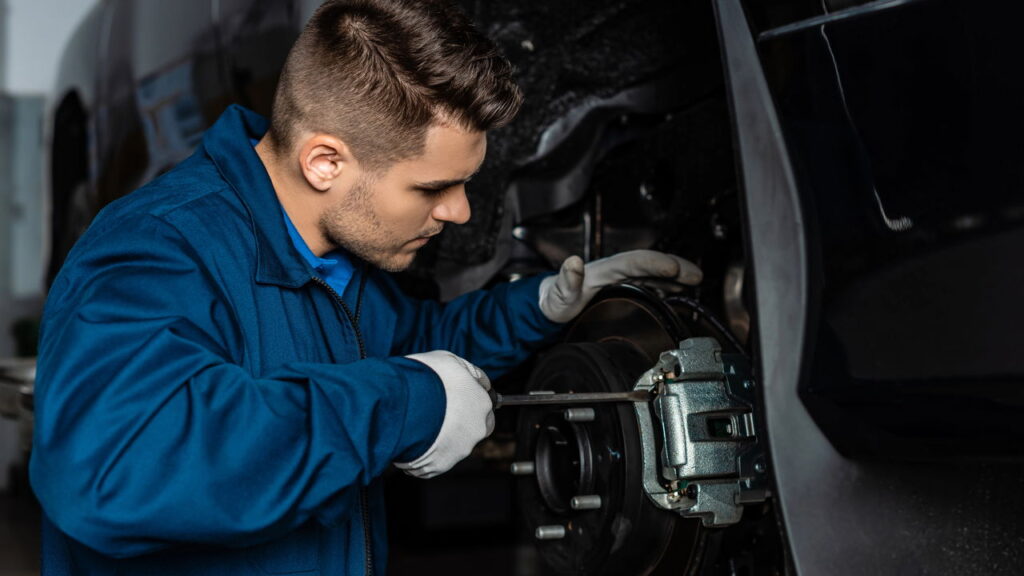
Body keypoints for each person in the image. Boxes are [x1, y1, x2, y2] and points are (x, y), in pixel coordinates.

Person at [30, 0, 702, 574]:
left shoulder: (341, 261)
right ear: (325, 162)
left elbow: (421, 347)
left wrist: (541, 306)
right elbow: (114, 469)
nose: (462, 212)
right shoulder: (154, 249)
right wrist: (405, 405)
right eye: (433, 187)